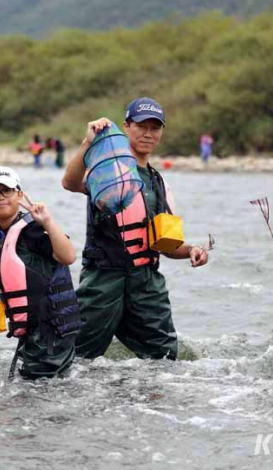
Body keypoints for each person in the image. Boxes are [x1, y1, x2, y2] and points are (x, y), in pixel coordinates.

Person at [62, 97, 209, 360]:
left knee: (164, 358)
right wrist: (88, 143)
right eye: (142, 126)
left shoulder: (160, 184)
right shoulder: (107, 170)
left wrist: (192, 250)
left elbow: (167, 246)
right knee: (75, 358)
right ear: (127, 127)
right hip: (103, 280)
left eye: (155, 128)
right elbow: (70, 183)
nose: (148, 134)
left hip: (147, 285)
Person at [0, 166, 80, 379]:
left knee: (37, 391)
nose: (0, 198)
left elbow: (68, 256)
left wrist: (48, 222)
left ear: (19, 194)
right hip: (33, 332)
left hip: (52, 331)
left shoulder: (33, 229)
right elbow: (22, 280)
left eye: (6, 191)